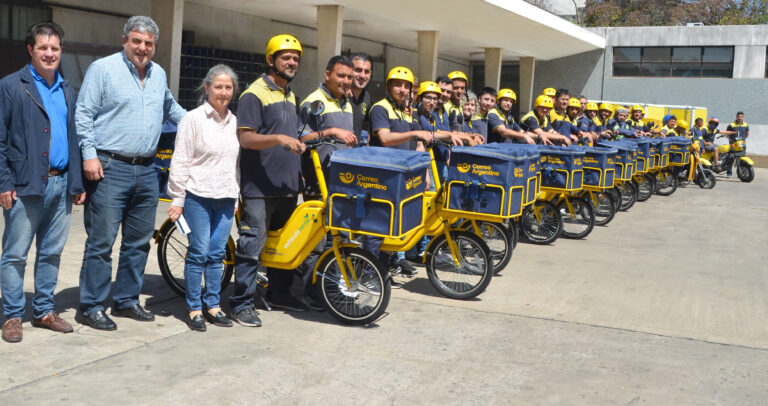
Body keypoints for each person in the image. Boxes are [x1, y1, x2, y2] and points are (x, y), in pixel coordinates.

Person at [75, 16, 186, 331]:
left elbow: (171, 109)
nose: (142, 48)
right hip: (110, 167)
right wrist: (89, 155)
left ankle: (125, 300)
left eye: (149, 43)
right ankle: (91, 306)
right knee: (101, 241)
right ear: (124, 40)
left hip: (147, 170)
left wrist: (205, 120)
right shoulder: (103, 69)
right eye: (137, 41)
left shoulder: (158, 73)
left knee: (138, 242)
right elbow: (83, 113)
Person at [0, 22, 85, 343]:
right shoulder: (11, 86)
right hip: (24, 186)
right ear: (30, 50)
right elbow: (0, 139)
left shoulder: (67, 90)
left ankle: (45, 311)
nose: (50, 54)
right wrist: (3, 182)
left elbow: (74, 139)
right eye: (43, 48)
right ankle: (12, 315)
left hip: (61, 185)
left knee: (51, 253)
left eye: (55, 48)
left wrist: (76, 183)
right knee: (15, 254)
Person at [229, 34, 307, 326]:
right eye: (285, 57)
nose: (291, 62)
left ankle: (280, 294)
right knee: (252, 246)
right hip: (259, 188)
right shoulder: (254, 94)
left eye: (296, 58)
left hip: (286, 186)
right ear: (270, 60)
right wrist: (278, 139)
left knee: (283, 245)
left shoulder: (290, 95)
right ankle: (241, 302)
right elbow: (246, 138)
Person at [166, 65, 240, 332]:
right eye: (218, 87)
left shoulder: (234, 121)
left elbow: (236, 163)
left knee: (217, 254)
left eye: (228, 87)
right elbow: (181, 160)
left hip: (226, 197)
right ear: (207, 88)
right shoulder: (193, 119)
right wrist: (177, 198)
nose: (223, 92)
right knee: (199, 252)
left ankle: (213, 305)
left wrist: (236, 194)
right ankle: (195, 308)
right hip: (198, 196)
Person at [296, 55, 357, 304]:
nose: (345, 81)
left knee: (339, 239)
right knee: (318, 241)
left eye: (349, 77)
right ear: (327, 75)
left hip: (342, 182)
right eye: (341, 76)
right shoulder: (313, 101)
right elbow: (300, 138)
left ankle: (329, 287)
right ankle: (311, 290)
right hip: (318, 182)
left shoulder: (348, 103)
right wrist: (330, 131)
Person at [349, 52, 372, 145]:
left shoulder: (366, 96)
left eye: (366, 71)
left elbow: (367, 125)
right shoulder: (339, 96)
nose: (362, 75)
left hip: (355, 155)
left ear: (370, 74)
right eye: (358, 70)